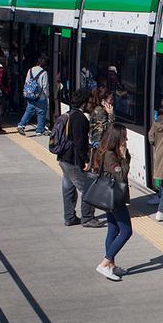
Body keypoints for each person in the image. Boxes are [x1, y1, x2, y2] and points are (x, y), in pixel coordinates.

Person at [58, 88, 103, 228]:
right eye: (89, 101)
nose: (90, 103)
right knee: (89, 188)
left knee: (68, 187)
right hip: (73, 160)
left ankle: (69, 217)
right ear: (84, 102)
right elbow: (80, 142)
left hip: (63, 158)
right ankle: (88, 218)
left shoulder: (68, 114)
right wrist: (86, 160)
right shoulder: (80, 118)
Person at [92, 123, 132, 281]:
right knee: (126, 231)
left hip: (110, 198)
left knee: (113, 229)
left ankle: (111, 265)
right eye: (124, 136)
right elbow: (120, 176)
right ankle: (105, 263)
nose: (126, 139)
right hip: (114, 198)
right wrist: (124, 158)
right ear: (117, 138)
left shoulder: (108, 151)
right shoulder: (110, 155)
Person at [17, 55, 50, 136]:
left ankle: (21, 125)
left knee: (29, 110)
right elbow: (45, 86)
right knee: (41, 112)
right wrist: (47, 96)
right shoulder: (44, 72)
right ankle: (40, 130)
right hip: (40, 97)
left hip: (30, 94)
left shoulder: (30, 70)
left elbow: (27, 81)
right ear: (45, 65)